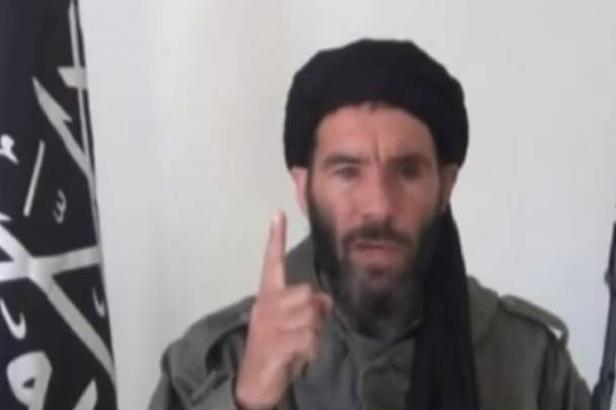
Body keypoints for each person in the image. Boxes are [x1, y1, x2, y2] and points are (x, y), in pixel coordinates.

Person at [148, 39, 590, 410]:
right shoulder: (214, 361)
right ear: (303, 187)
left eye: (408, 171)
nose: (379, 206)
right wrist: (244, 399)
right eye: (347, 172)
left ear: (446, 186)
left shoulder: (530, 364)